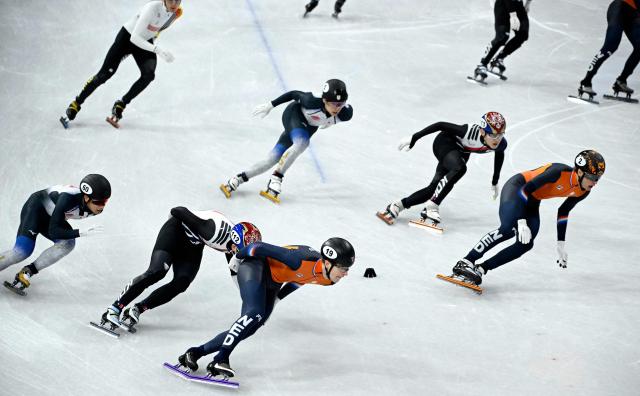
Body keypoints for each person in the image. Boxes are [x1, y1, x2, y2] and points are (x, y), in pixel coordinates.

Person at [176, 237, 355, 378]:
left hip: (274, 282)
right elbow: (258, 247)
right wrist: (237, 259)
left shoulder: (328, 279)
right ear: (327, 262)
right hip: (254, 266)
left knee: (250, 328)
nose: (345, 273)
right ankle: (220, 359)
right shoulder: (299, 259)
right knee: (254, 314)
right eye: (343, 268)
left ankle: (194, 353)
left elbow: (300, 281)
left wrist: (277, 299)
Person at [452, 150, 605, 286]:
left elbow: (564, 211)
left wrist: (560, 244)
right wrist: (521, 221)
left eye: (598, 178)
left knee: (526, 243)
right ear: (579, 172)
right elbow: (526, 189)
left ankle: (481, 269)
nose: (595, 182)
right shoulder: (558, 172)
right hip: (518, 188)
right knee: (508, 228)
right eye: (592, 177)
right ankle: (466, 261)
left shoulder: (584, 191)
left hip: (532, 200)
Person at [101, 207, 261, 330]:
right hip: (175, 231)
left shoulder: (234, 244)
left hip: (193, 244)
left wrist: (248, 299)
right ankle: (115, 307)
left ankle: (138, 308)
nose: (242, 254)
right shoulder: (211, 230)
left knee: (182, 282)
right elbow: (177, 210)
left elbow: (234, 271)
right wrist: (171, 232)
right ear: (234, 243)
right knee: (157, 271)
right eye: (241, 251)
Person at [219, 79, 353, 203]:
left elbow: (337, 114)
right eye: (334, 104)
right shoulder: (311, 100)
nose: (337, 108)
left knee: (272, 159)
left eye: (341, 104)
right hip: (293, 115)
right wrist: (271, 105)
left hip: (308, 127)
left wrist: (331, 121)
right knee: (302, 143)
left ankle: (237, 179)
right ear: (324, 100)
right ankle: (276, 177)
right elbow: (293, 94)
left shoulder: (345, 113)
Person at [61, 0, 183, 128]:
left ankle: (121, 104)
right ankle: (76, 104)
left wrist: (152, 40)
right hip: (127, 39)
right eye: (171, 0)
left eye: (178, 0)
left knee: (149, 75)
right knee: (105, 74)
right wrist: (158, 50)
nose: (174, 4)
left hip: (144, 42)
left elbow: (157, 28)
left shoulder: (177, 12)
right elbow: (135, 37)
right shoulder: (151, 8)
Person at [377, 112, 507, 227]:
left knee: (433, 189)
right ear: (483, 132)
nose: (497, 139)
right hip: (444, 143)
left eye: (501, 134)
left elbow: (499, 154)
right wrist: (414, 137)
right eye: (494, 135)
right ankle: (432, 206)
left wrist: (495, 181)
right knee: (460, 168)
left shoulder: (500, 143)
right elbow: (440, 125)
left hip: (461, 153)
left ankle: (397, 205)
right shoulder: (468, 131)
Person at [1, 174, 110, 294]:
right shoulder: (67, 198)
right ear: (86, 198)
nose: (102, 206)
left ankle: (28, 271)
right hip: (35, 210)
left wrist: (75, 233)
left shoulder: (92, 207)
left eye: (105, 201)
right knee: (21, 252)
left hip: (52, 216)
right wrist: (79, 232)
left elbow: (57, 223)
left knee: (68, 243)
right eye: (98, 202)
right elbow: (54, 230)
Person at [578, 0, 640, 98]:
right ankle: (586, 82)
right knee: (610, 46)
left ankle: (621, 81)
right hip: (620, 8)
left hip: (633, 15)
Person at [472, 0, 531, 80]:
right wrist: (513, 15)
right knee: (502, 36)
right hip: (503, 4)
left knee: (522, 34)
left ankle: (498, 60)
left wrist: (528, 3)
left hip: (518, 5)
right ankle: (482, 65)